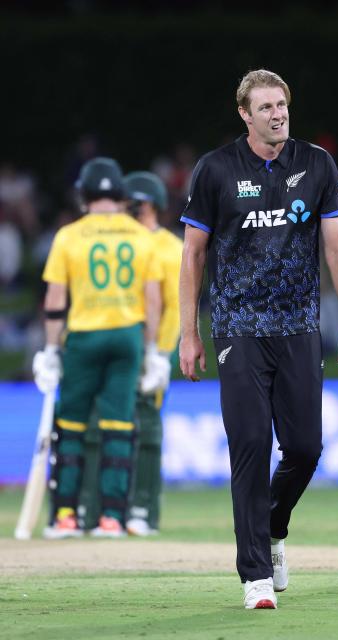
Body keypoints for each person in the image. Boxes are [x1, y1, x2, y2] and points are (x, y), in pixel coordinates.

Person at [179, 69, 338, 610]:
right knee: (251, 444)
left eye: (282, 104)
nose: (277, 114)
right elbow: (192, 255)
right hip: (238, 327)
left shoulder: (316, 165)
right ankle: (255, 574)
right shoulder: (215, 170)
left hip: (299, 327)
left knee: (306, 448)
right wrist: (189, 333)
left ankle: (273, 525)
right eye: (265, 107)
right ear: (245, 114)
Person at [33, 157, 162, 539]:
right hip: (126, 336)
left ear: (84, 195)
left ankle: (67, 517)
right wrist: (152, 349)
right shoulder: (141, 235)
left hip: (85, 335)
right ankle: (111, 518)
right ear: (120, 194)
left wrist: (51, 349)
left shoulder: (70, 235)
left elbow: (56, 299)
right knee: (119, 424)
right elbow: (152, 298)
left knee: (71, 425)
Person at [123, 171, 183, 535]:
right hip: (120, 345)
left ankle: (144, 510)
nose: (132, 210)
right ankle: (110, 508)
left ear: (155, 206)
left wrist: (161, 353)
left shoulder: (170, 247)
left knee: (145, 425)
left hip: (153, 349)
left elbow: (175, 307)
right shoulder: (120, 243)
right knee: (111, 427)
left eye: (139, 204)